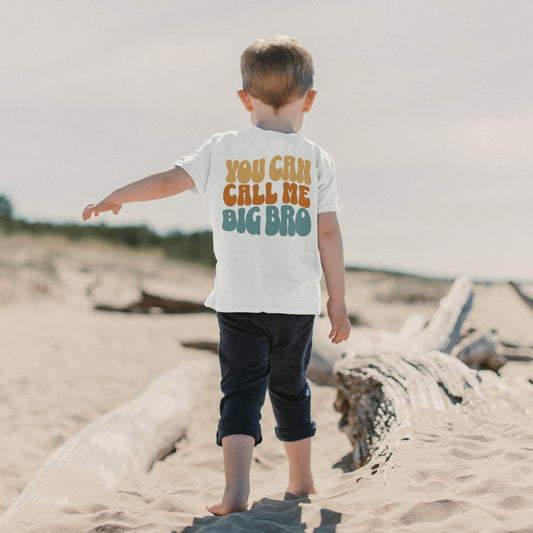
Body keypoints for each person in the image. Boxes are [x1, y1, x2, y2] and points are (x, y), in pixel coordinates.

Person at [83, 35, 351, 516]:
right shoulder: (317, 160)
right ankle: (302, 480)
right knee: (292, 389)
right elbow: (328, 233)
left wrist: (117, 195)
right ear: (309, 98)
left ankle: (235, 492)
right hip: (294, 305)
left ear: (245, 98)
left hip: (239, 302)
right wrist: (337, 300)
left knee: (241, 391)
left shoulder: (223, 149)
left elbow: (168, 181)